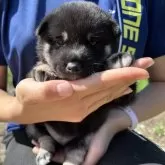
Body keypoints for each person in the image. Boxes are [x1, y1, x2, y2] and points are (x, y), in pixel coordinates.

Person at [0, 0, 165, 165]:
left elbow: (160, 83)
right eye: (59, 42)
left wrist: (113, 122)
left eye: (93, 43)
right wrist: (22, 109)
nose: (73, 63)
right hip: (34, 127)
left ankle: (75, 147)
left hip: (101, 125)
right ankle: (46, 142)